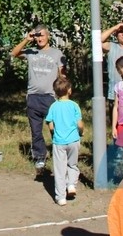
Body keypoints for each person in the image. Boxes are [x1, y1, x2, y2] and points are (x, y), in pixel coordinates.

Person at [10, 24, 64, 173]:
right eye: (37, 36)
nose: (40, 38)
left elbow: (62, 75)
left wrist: (63, 94)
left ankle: (60, 153)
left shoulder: (56, 53)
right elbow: (14, 53)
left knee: (56, 128)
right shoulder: (31, 52)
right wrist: (26, 39)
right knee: (36, 130)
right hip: (33, 97)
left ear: (48, 36)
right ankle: (40, 157)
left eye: (42, 35)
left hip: (50, 97)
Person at [44, 75, 83, 206]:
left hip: (59, 142)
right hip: (74, 140)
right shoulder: (74, 105)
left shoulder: (53, 107)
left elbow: (50, 125)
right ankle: (71, 184)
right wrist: (81, 132)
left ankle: (60, 197)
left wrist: (53, 134)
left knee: (59, 169)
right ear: (69, 90)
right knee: (73, 164)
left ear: (55, 92)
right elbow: (80, 124)